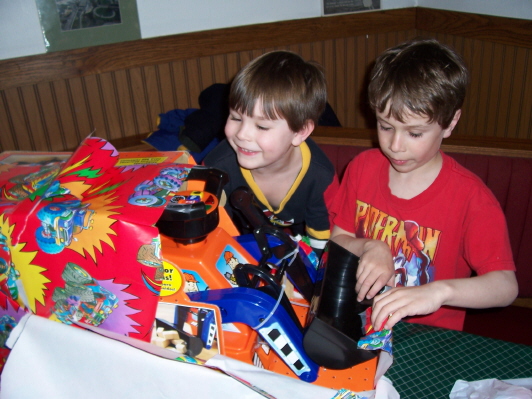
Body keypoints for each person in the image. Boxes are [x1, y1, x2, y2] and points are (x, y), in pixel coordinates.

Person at [329, 38, 518, 331]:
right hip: (357, 322)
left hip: (429, 337)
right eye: (385, 126)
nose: (395, 145)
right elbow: (337, 240)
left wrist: (440, 291)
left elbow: (505, 286)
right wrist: (370, 246)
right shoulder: (362, 168)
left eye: (414, 133)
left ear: (451, 123)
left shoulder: (471, 198)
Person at [204, 51, 339, 255]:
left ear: (300, 131)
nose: (242, 134)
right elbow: (214, 233)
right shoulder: (217, 167)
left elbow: (322, 240)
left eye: (262, 126)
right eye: (236, 118)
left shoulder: (321, 176)